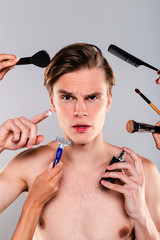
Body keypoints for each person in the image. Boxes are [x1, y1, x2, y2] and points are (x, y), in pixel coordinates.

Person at [0, 44, 160, 240]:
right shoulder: (28, 165)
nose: (80, 111)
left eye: (92, 97)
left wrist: (141, 215)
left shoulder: (141, 173)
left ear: (108, 101)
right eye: (67, 97)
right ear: (52, 101)